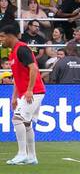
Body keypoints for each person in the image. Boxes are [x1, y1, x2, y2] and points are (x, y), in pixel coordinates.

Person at [1, 22, 45, 166]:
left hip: (34, 92)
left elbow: (33, 69)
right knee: (26, 123)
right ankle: (32, 157)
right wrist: (14, 96)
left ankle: (22, 153)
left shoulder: (22, 49)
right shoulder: (12, 53)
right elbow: (17, 77)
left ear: (10, 36)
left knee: (17, 119)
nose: (1, 40)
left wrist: (30, 89)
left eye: (2, 37)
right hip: (26, 93)